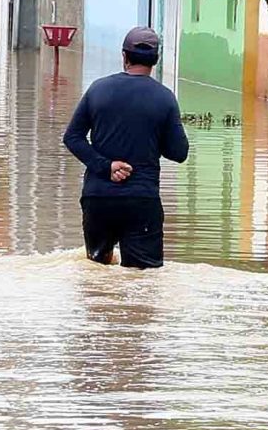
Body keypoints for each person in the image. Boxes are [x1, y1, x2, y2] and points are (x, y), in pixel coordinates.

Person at [62, 27, 190, 269]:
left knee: (97, 271)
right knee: (143, 278)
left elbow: (73, 137)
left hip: (98, 198)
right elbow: (179, 153)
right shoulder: (165, 98)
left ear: (124, 56)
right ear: (156, 60)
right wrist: (152, 135)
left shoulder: (98, 89)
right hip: (141, 200)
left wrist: (105, 166)